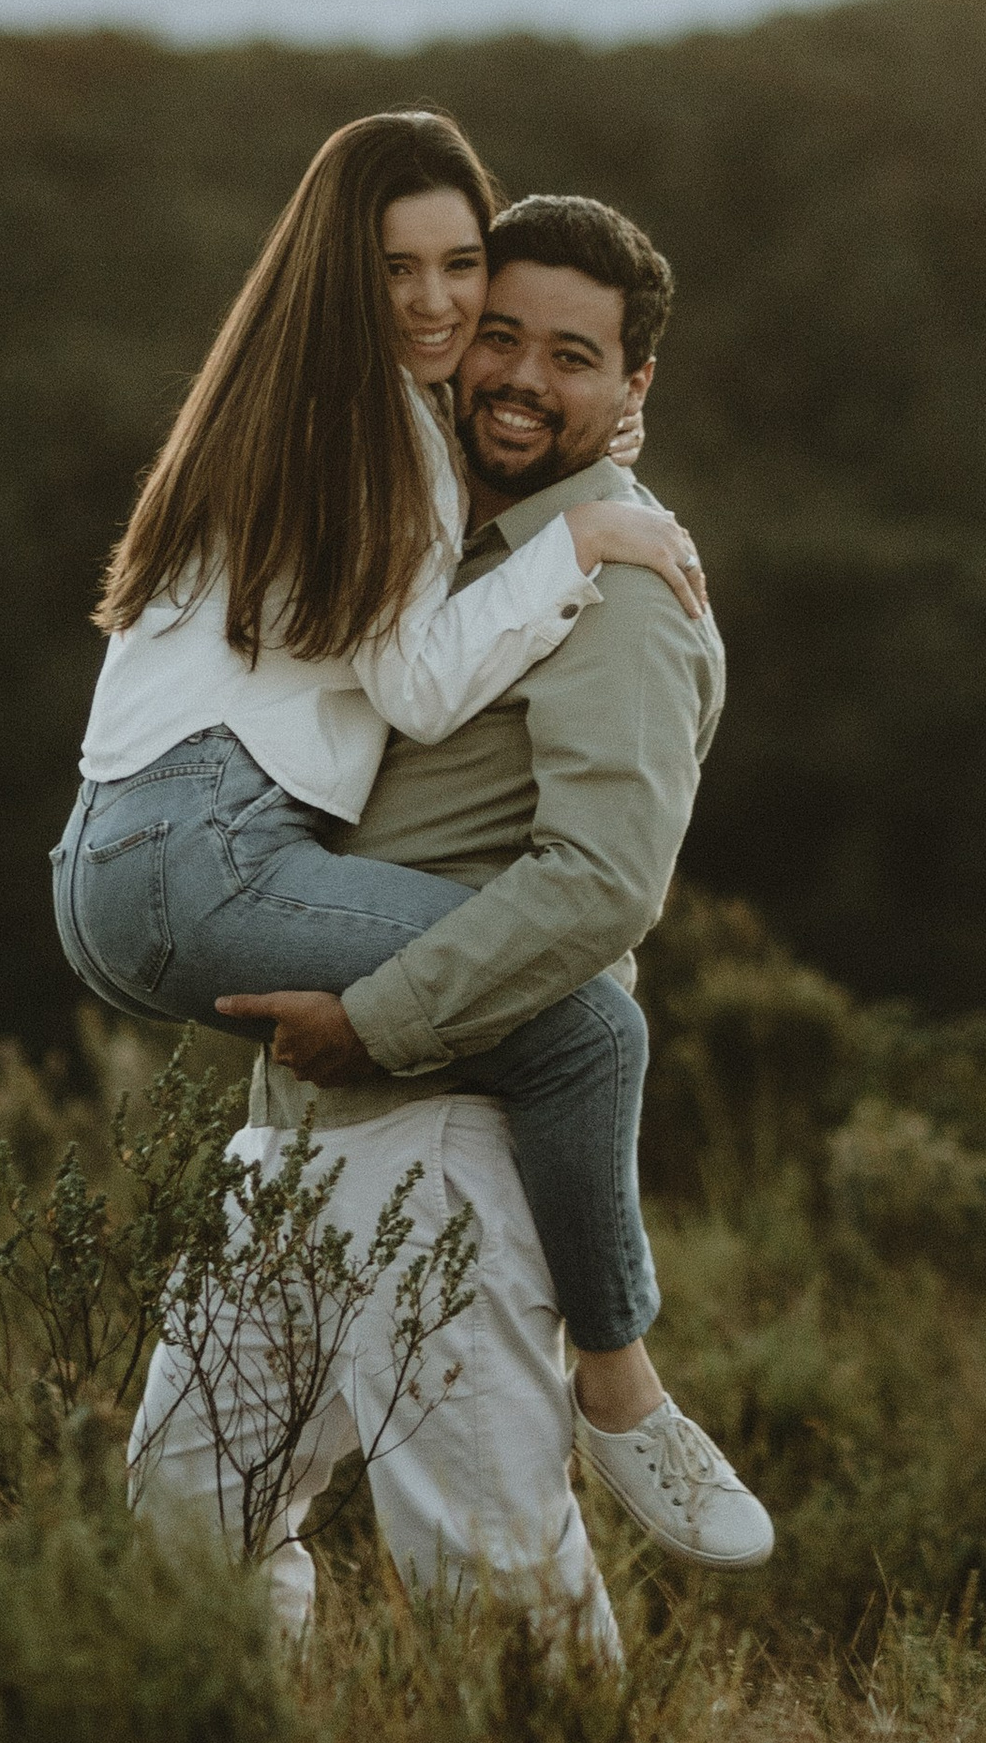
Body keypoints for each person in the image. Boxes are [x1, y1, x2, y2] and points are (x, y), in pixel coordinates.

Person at [53, 116, 768, 1583]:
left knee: (493, 1581)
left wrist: (371, 1018)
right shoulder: (401, 473)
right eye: (485, 324)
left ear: (634, 387)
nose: (496, 361)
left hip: (433, 1136)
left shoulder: (626, 583)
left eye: (570, 356)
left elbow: (604, 887)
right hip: (299, 1125)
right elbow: (407, 676)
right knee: (190, 1549)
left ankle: (621, 1391)